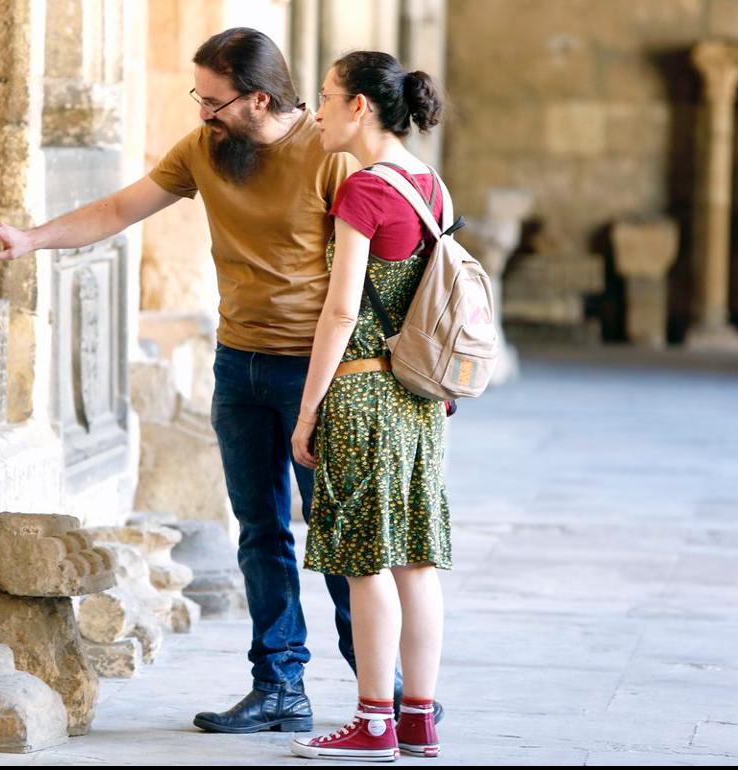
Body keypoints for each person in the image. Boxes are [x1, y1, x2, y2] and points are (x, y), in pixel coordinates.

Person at [0, 28, 442, 734]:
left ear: (258, 98)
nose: (202, 113)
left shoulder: (331, 156)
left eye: (214, 101)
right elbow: (118, 210)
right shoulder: (205, 150)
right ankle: (280, 686)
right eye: (199, 96)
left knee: (345, 542)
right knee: (260, 533)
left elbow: (377, 280)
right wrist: (30, 238)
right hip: (237, 365)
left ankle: (388, 696)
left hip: (319, 373)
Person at [287, 51, 450, 761]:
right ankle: (418, 718)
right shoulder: (429, 185)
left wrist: (308, 408)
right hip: (420, 397)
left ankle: (373, 720)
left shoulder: (363, 192)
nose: (316, 111)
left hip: (361, 391)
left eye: (325, 97)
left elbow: (340, 311)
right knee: (416, 559)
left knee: (365, 561)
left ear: (359, 107)